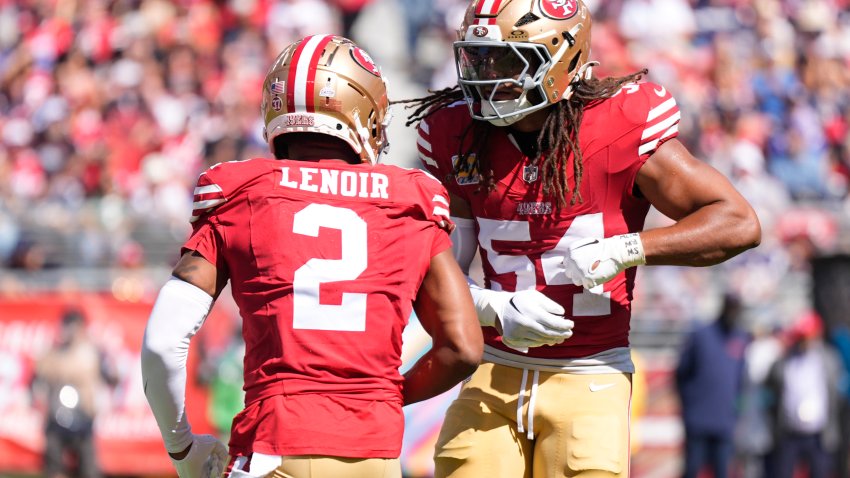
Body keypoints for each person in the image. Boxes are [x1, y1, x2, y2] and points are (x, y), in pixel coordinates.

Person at [397, 1, 761, 476]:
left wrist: (629, 249)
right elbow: (440, 269)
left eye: (508, 60)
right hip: (490, 370)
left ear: (561, 60)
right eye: (477, 59)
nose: (486, 76)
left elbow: (738, 222)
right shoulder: (457, 133)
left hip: (590, 373)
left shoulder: (619, 123)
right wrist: (491, 307)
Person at [140, 35, 483, 478]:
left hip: (275, 448)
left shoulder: (242, 190)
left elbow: (161, 342)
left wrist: (183, 448)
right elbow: (462, 347)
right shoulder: (409, 199)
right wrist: (378, 397)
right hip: (374, 458)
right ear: (366, 114)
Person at [34, 309, 116, 478]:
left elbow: (111, 377)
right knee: (55, 467)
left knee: (88, 469)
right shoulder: (52, 352)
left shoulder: (93, 351)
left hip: (84, 415)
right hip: (56, 418)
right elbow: (37, 375)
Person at [675, 294, 749, 478]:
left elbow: (740, 380)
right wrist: (689, 404)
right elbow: (681, 373)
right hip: (698, 419)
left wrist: (736, 412)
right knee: (692, 469)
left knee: (722, 471)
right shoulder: (701, 335)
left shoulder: (740, 338)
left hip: (724, 420)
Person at [766, 311, 844, 478]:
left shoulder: (828, 359)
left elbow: (836, 392)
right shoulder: (785, 361)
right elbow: (772, 382)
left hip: (818, 435)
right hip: (790, 432)